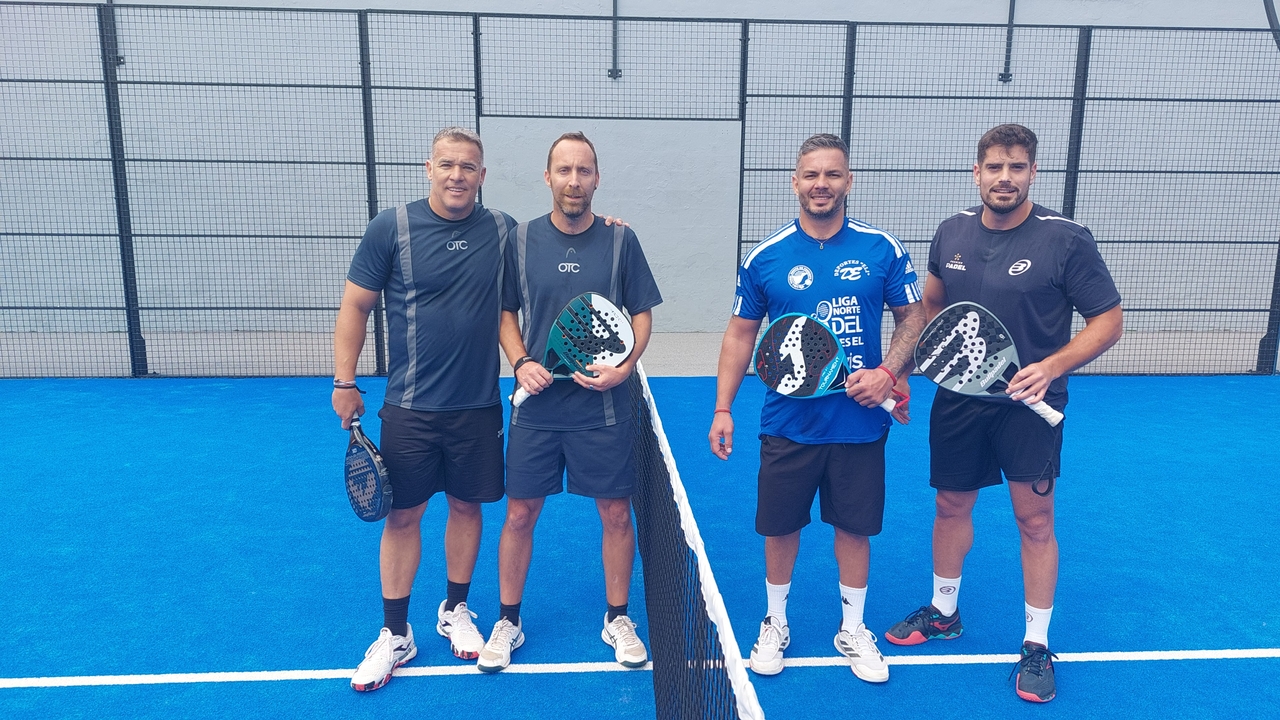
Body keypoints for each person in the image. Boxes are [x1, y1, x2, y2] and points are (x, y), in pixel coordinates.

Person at [882, 124, 1123, 703]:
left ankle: (1036, 645)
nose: (1005, 178)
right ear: (977, 173)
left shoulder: (1067, 240)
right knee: (949, 505)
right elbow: (931, 310)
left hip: (1030, 406)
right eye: (994, 167)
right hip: (958, 400)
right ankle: (943, 613)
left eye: (1017, 167)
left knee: (1034, 521)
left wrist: (1053, 366)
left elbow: (1109, 321)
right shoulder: (951, 232)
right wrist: (903, 371)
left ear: (1033, 172)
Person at [707, 133, 925, 683]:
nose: (821, 184)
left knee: (854, 528)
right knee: (781, 527)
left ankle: (852, 627)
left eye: (832, 174)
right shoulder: (766, 256)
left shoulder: (882, 248)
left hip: (860, 422)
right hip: (788, 422)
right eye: (811, 175)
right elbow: (740, 335)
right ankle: (775, 622)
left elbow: (913, 319)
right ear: (795, 183)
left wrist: (889, 374)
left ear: (848, 181)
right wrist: (723, 407)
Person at [476, 132, 662, 673]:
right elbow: (505, 312)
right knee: (519, 514)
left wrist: (625, 367)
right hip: (536, 409)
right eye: (564, 170)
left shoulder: (622, 240)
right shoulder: (520, 240)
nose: (573, 181)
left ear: (597, 178)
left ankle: (617, 618)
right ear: (548, 176)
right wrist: (520, 362)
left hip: (604, 409)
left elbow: (642, 313)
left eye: (583, 171)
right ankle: (508, 621)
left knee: (616, 514)